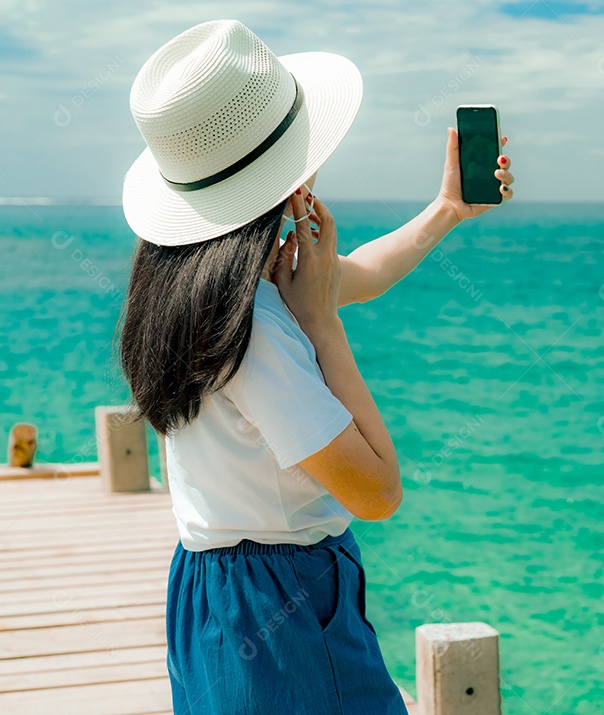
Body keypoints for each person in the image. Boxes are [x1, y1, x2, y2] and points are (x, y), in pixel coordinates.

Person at [115, 19, 514, 714]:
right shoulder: (259, 327)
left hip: (207, 594)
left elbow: (356, 274)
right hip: (287, 601)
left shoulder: (187, 284)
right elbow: (378, 491)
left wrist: (447, 210)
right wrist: (324, 327)